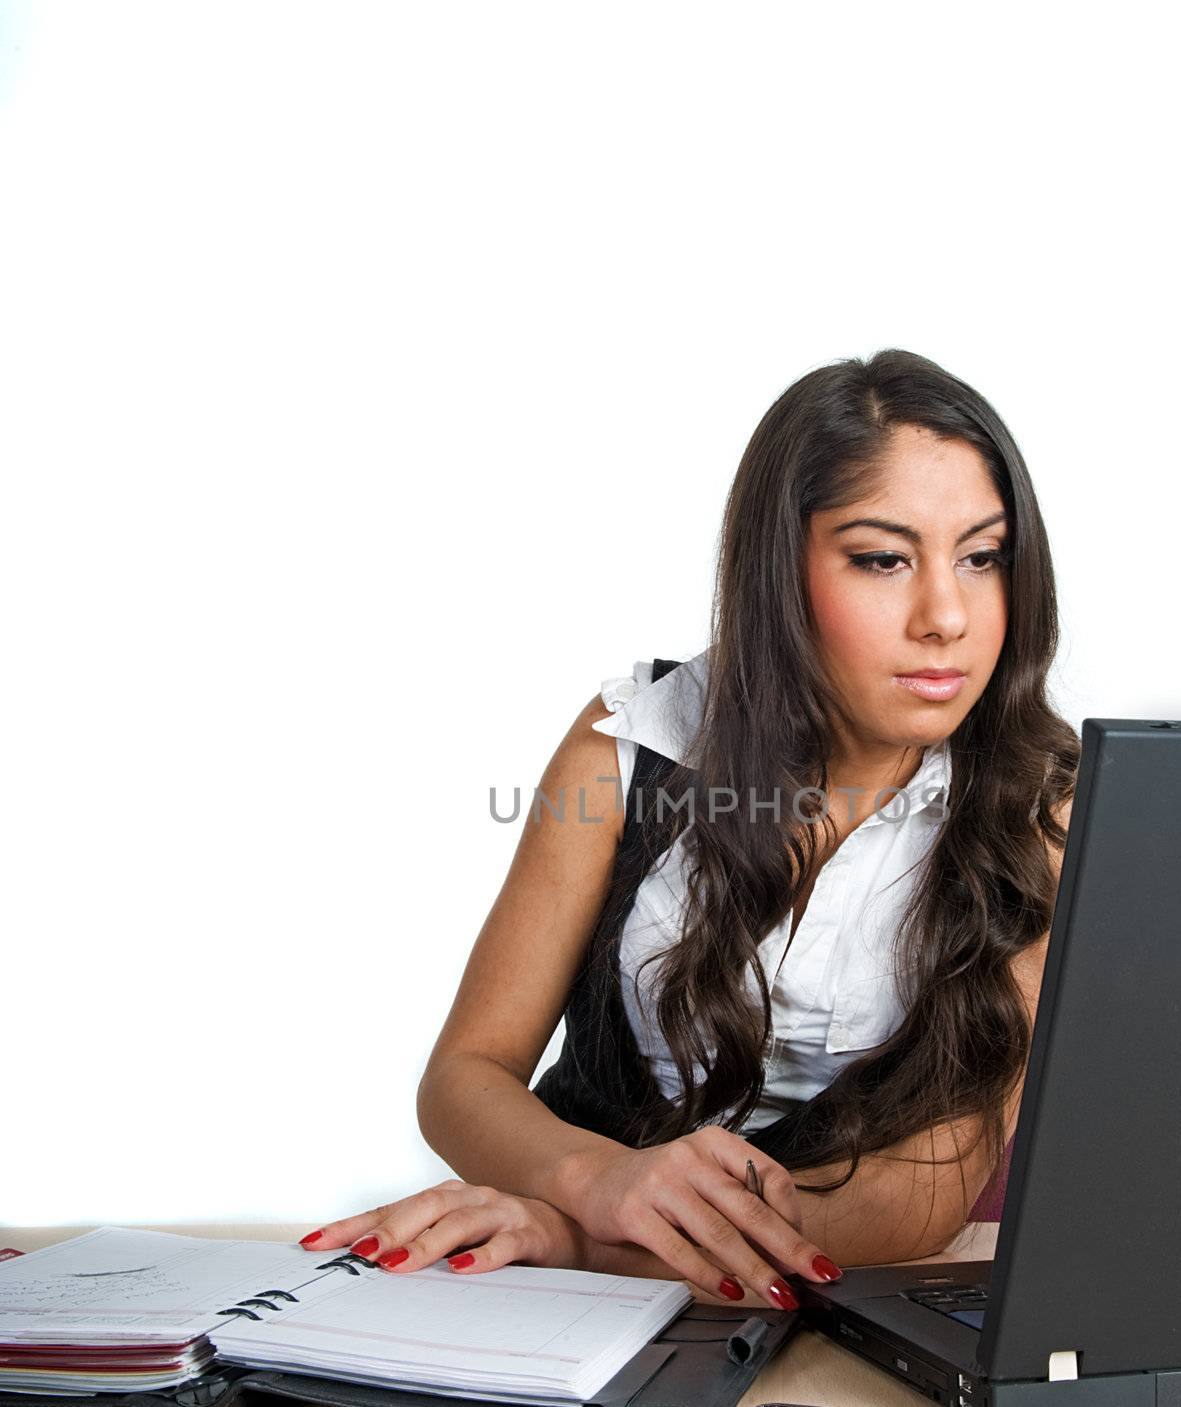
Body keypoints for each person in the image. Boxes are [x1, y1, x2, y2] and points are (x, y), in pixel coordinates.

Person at [298, 349, 1080, 1310]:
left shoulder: (1042, 810)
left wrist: (583, 1245)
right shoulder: (627, 746)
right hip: (554, 1300)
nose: (946, 616)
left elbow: (916, 1201)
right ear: (778, 574)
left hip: (833, 1300)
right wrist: (595, 1185)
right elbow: (465, 1075)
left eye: (982, 556)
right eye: (882, 559)